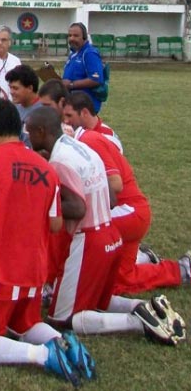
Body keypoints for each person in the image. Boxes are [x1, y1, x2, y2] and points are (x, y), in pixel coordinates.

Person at [0, 98, 90, 387]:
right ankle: (64, 342)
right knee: (24, 324)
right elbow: (55, 224)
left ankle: (42, 355)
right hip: (34, 268)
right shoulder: (45, 166)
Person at [26, 107, 187, 348]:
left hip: (87, 241)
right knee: (97, 301)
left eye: (30, 133)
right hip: (109, 233)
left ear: (41, 131)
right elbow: (112, 199)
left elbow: (78, 208)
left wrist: (44, 201)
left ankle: (136, 322)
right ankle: (141, 307)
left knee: (61, 319)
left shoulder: (60, 160)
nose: (28, 138)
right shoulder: (81, 148)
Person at [63, 93, 191, 296]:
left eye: (68, 115)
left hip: (128, 211)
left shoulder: (92, 139)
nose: (65, 121)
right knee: (121, 281)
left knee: (79, 230)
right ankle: (180, 269)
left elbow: (115, 184)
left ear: (84, 113)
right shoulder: (89, 137)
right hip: (131, 212)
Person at [62, 23, 105, 114]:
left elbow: (96, 79)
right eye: (69, 36)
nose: (72, 38)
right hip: (74, 105)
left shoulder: (89, 53)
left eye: (76, 36)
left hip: (85, 108)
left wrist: (71, 85)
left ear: (84, 37)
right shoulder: (73, 54)